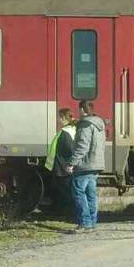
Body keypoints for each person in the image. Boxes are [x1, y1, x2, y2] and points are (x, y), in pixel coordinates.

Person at [65, 100, 106, 233]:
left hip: (85, 165)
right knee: (91, 195)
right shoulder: (99, 124)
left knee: (78, 193)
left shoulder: (85, 125)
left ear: (82, 109)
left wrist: (72, 163)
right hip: (96, 164)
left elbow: (82, 147)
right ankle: (92, 223)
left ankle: (85, 223)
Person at [44, 108, 76, 217]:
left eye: (59, 117)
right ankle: (66, 212)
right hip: (64, 166)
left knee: (65, 192)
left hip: (63, 167)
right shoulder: (71, 130)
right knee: (66, 190)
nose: (57, 120)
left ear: (63, 118)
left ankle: (66, 213)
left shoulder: (65, 133)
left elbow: (69, 149)